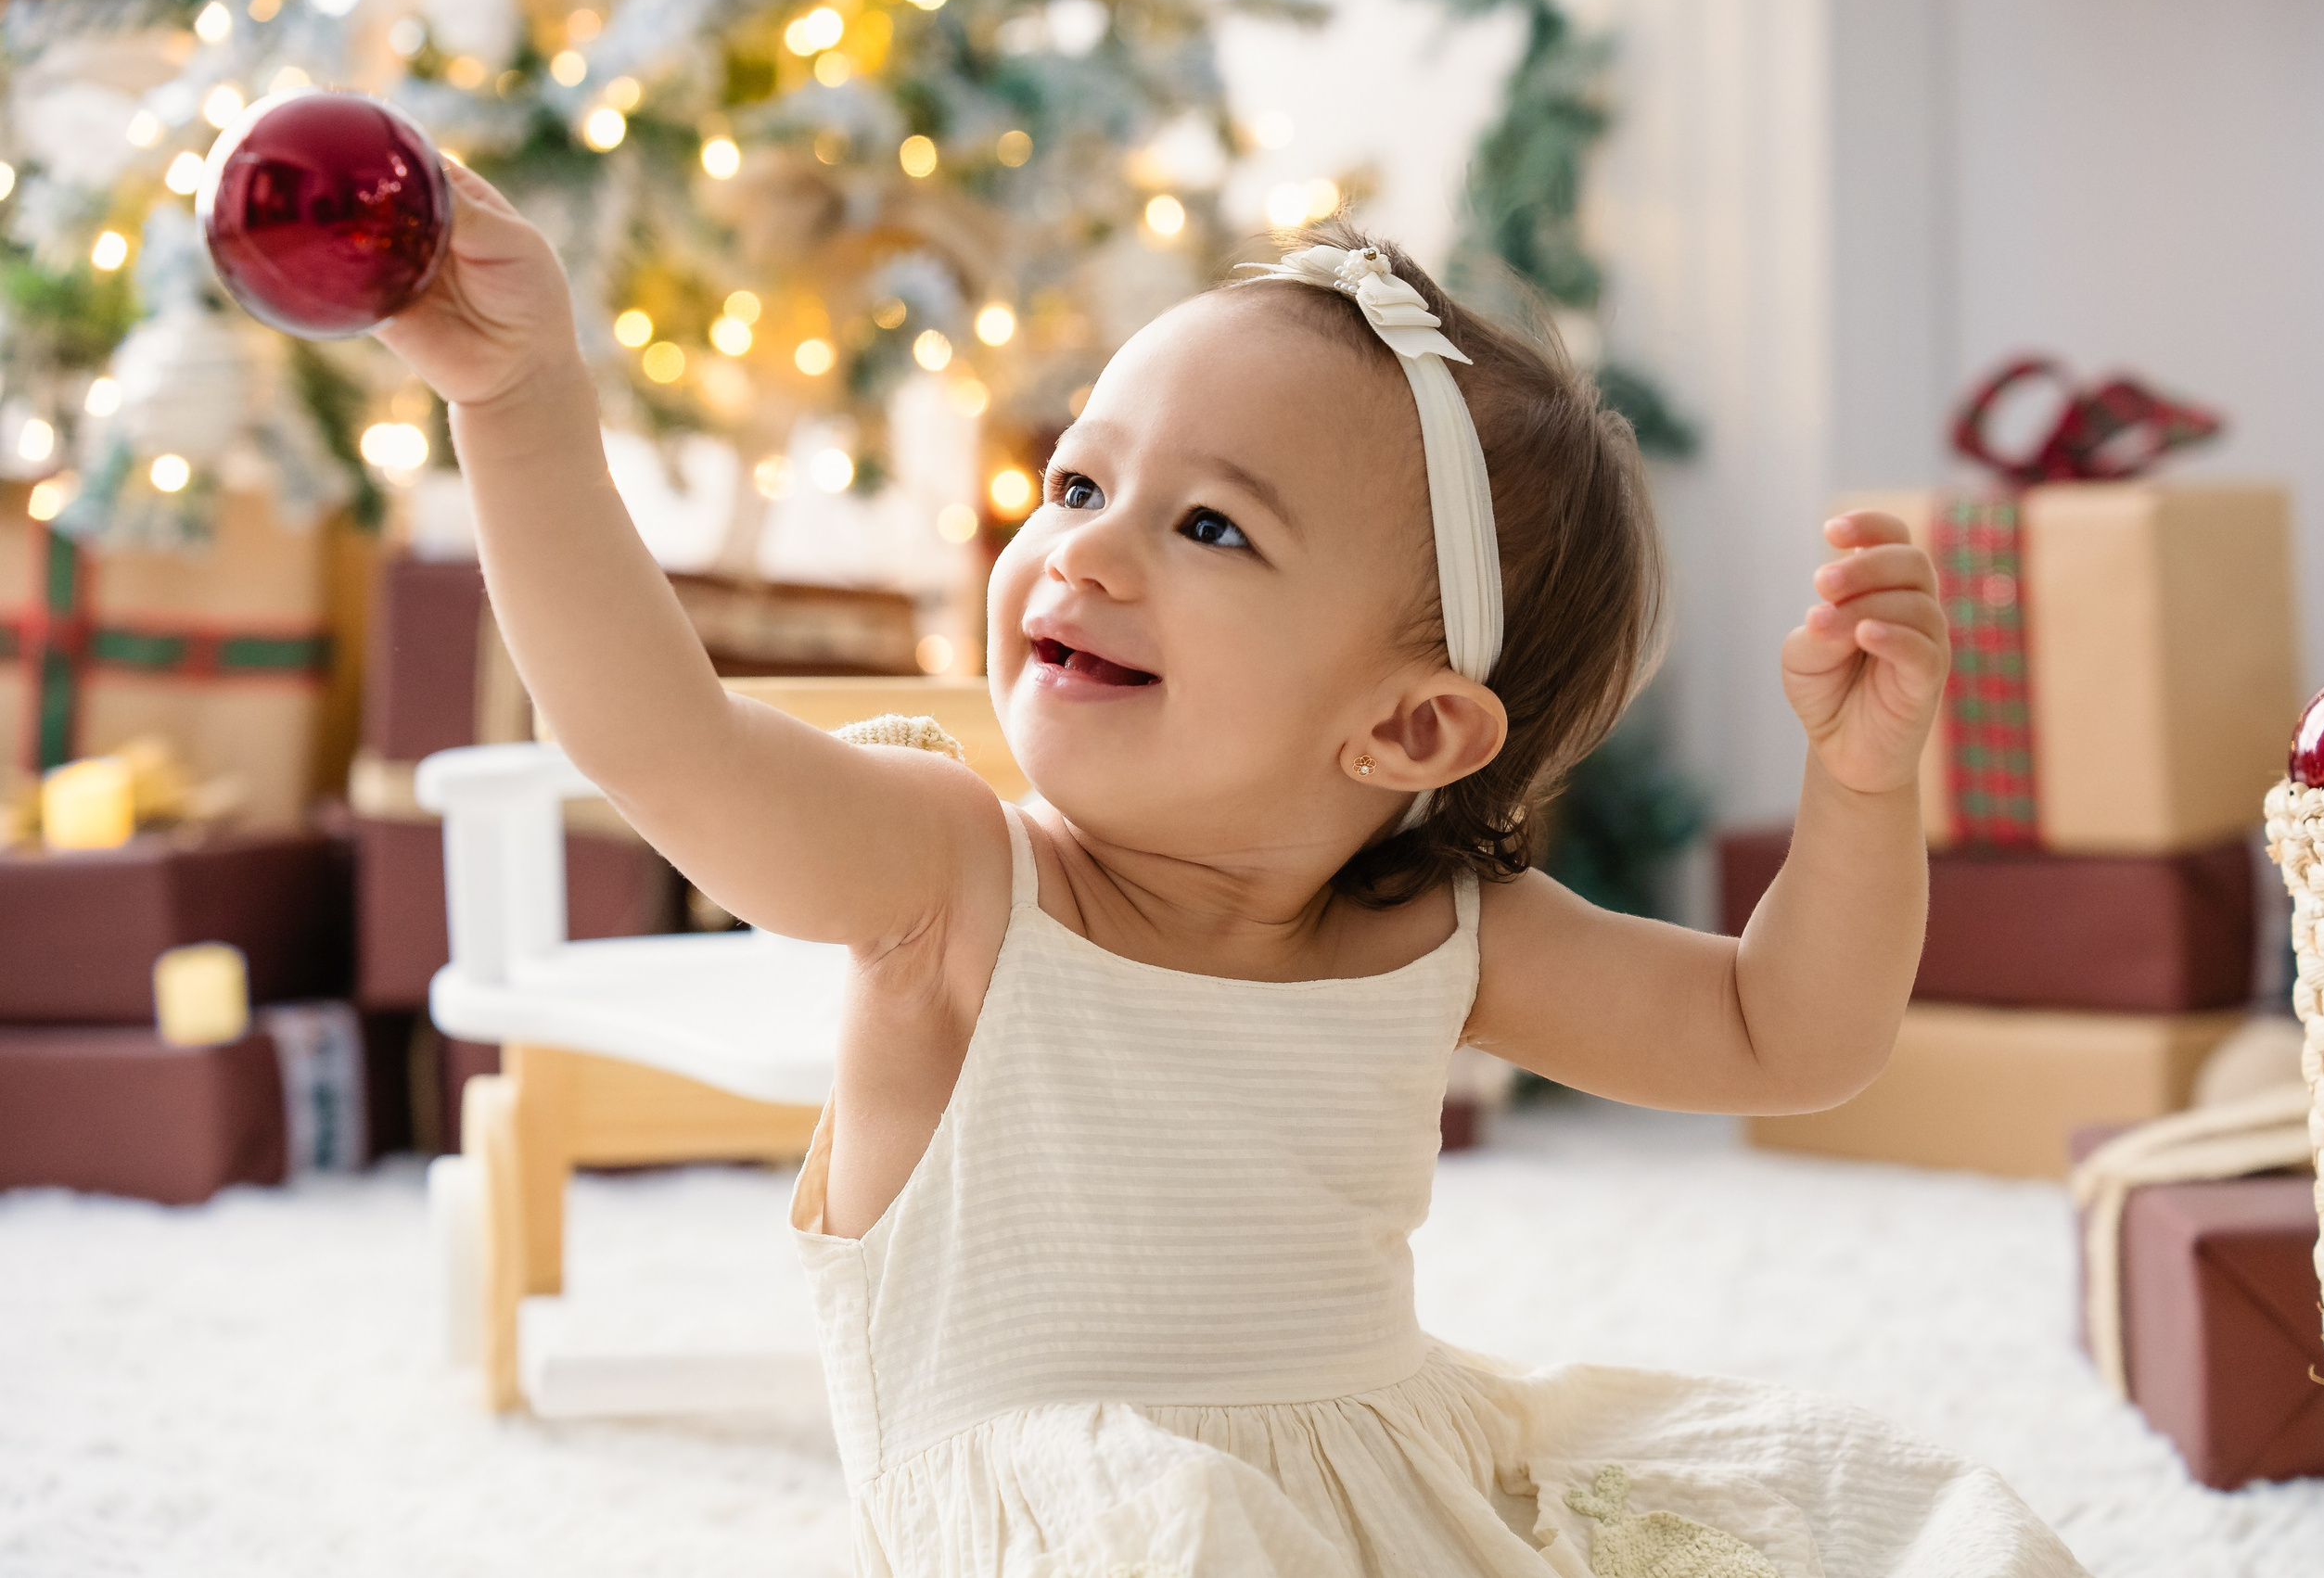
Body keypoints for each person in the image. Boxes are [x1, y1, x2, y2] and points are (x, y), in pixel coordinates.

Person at [379, 163, 2087, 1577]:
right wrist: (524, 405)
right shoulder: (956, 885)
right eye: (1078, 480)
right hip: (1097, 1537)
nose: (1082, 550)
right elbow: (655, 734)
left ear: (1410, 734)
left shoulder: (1435, 934)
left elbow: (1788, 1039)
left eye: (1210, 528)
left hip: (1381, 1505)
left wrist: (1862, 787)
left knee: (1878, 1523)